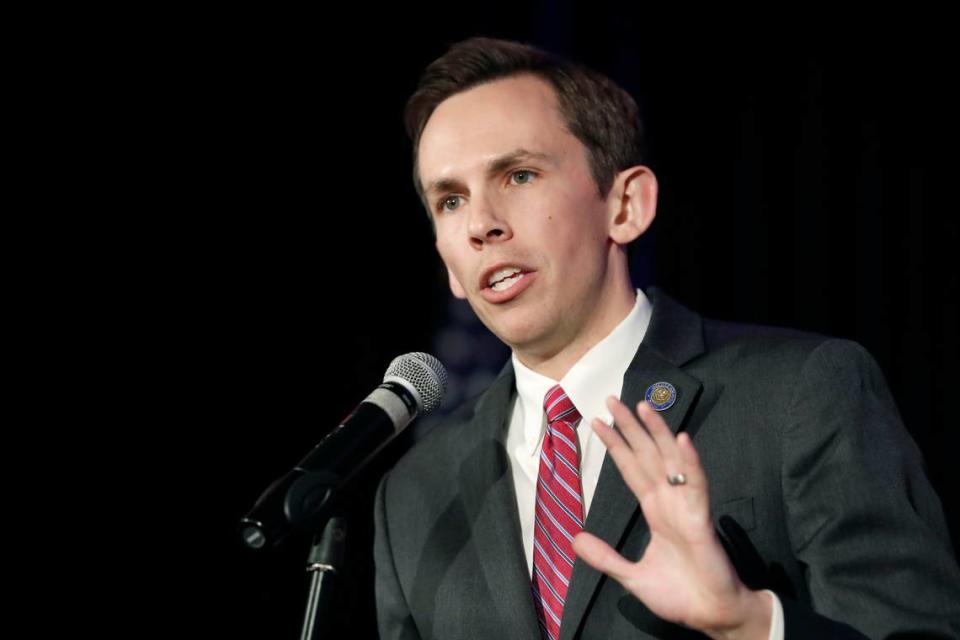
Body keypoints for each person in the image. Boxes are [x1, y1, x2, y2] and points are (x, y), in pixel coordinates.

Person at [373, 37, 960, 639]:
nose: (479, 224)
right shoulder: (416, 496)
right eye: (450, 200)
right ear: (447, 264)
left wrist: (752, 623)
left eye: (519, 175)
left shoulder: (800, 396)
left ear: (626, 204)